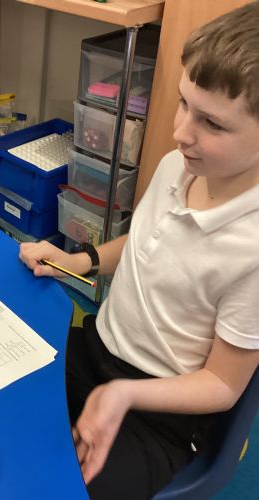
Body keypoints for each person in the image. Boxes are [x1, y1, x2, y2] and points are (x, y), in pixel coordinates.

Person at [19, 3, 259, 499]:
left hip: (159, 414)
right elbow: (149, 242)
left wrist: (125, 394)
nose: (180, 132)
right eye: (183, 103)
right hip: (98, 347)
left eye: (212, 123)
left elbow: (222, 385)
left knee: (60, 489)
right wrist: (81, 261)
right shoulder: (179, 165)